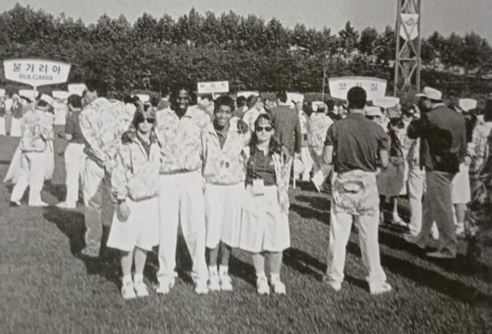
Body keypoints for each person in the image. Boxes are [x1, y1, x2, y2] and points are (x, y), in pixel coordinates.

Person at [322, 86, 392, 295]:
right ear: (365, 103)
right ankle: (376, 281)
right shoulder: (377, 129)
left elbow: (326, 159)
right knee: (369, 236)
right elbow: (385, 161)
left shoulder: (336, 127)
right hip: (367, 181)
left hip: (343, 180)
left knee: (338, 235)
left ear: (347, 102)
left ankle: (334, 278)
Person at [154, 85, 211, 295]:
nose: (182, 101)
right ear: (171, 97)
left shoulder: (201, 117)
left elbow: (209, 145)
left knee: (195, 228)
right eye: (178, 97)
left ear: (191, 98)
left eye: (186, 98)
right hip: (166, 176)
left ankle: (200, 277)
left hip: (191, 176)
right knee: (166, 228)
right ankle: (165, 276)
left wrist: (204, 176)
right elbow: (142, 131)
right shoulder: (160, 117)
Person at [406, 87, 467, 259]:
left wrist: (417, 117)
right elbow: (463, 143)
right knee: (431, 203)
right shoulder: (457, 116)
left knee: (442, 206)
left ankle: (448, 247)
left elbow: (412, 133)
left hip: (436, 165)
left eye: (422, 99)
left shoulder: (430, 116)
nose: (420, 102)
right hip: (452, 164)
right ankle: (421, 238)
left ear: (428, 100)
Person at [107, 108, 160, 300]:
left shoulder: (157, 143)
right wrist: (120, 199)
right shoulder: (127, 144)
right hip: (131, 200)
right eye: (142, 120)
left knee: (144, 243)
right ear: (136, 122)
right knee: (127, 242)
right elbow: (118, 172)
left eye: (150, 120)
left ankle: (139, 278)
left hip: (151, 200)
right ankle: (126, 280)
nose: (145, 123)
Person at [79, 79, 136, 258]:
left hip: (97, 162)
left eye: (86, 91)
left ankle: (93, 247)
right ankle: (128, 244)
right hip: (118, 161)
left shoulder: (86, 113)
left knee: (92, 205)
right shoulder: (121, 107)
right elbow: (130, 132)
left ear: (95, 91)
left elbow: (90, 141)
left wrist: (104, 160)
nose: (84, 96)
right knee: (120, 201)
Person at [239, 113, 292, 295]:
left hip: (273, 195)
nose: (263, 132)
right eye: (260, 128)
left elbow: (285, 176)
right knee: (256, 237)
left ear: (273, 130)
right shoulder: (246, 151)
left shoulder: (279, 152)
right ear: (255, 129)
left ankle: (275, 278)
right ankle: (260, 277)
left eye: (267, 128)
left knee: (276, 237)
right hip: (252, 194)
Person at [202, 95, 250, 292]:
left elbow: (260, 141)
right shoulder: (204, 131)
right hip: (212, 185)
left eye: (227, 112)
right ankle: (211, 270)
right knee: (212, 228)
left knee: (229, 229)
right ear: (214, 111)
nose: (223, 115)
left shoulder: (241, 131)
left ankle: (224, 269)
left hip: (234, 185)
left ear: (233, 114)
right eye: (220, 111)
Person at [10, 95, 55, 206]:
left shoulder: (28, 114)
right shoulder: (46, 117)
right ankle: (35, 200)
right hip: (37, 150)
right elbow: (47, 134)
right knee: (37, 176)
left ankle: (15, 197)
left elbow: (21, 126)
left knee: (24, 175)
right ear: (48, 106)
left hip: (25, 148)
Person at [57, 95, 86, 209]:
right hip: (86, 147)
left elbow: (68, 137)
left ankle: (71, 201)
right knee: (85, 176)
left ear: (70, 104)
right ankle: (88, 200)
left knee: (72, 176)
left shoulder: (71, 117)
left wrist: (61, 134)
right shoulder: (85, 116)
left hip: (74, 146)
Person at [307, 101, 334, 190]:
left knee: (316, 165)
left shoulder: (312, 117)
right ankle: (317, 181)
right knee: (327, 166)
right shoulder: (328, 120)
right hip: (321, 145)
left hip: (311, 143)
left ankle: (317, 186)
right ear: (325, 110)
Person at [269, 91, 302, 158]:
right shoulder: (294, 112)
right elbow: (298, 132)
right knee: (288, 166)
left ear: (278, 99)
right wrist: (298, 149)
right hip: (290, 146)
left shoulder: (272, 111)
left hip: (275, 145)